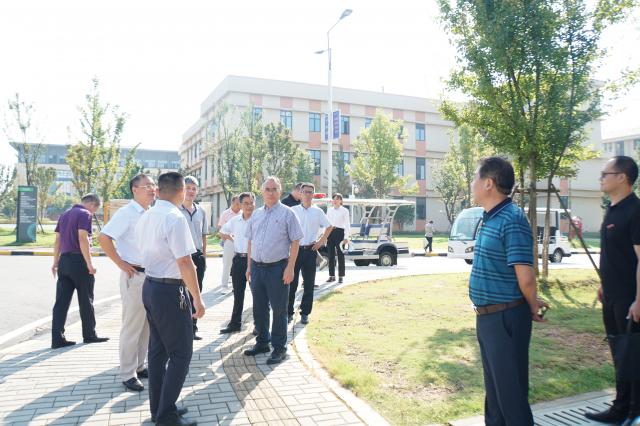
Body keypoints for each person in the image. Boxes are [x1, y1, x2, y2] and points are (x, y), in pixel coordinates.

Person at [469, 157, 548, 426]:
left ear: (488, 183)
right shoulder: (491, 217)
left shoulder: (512, 219)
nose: (472, 183)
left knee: (511, 397)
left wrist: (533, 304)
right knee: (495, 396)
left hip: (506, 317)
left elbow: (526, 276)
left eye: (475, 178)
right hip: (488, 317)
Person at [136, 172, 205, 426]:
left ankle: (161, 408)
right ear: (181, 191)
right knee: (181, 354)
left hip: (151, 286)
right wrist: (197, 298)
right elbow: (185, 262)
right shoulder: (175, 217)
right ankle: (165, 415)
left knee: (158, 352)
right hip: (169, 291)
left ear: (159, 190)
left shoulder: (148, 215)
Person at [584, 156, 640, 425]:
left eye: (606, 173)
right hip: (611, 296)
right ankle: (621, 408)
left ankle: (633, 411)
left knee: (633, 356)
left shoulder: (636, 211)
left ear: (622, 177)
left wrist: (639, 300)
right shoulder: (613, 209)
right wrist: (603, 285)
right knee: (620, 354)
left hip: (630, 299)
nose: (601, 178)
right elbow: (615, 254)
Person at [98, 174, 156, 392]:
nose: (152, 189)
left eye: (153, 185)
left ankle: (140, 366)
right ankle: (127, 373)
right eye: (147, 186)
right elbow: (104, 237)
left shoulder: (150, 212)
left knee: (146, 326)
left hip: (151, 276)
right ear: (134, 189)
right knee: (132, 326)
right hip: (135, 276)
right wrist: (120, 263)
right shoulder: (127, 213)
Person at [243, 176, 303, 365]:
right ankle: (262, 342)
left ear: (280, 191)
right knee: (259, 308)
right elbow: (250, 241)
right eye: (267, 189)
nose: (270, 192)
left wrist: (290, 268)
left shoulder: (288, 214)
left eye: (274, 189)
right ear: (262, 191)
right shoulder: (256, 215)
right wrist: (249, 267)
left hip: (278, 269)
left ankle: (279, 348)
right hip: (257, 269)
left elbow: (296, 241)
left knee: (279, 310)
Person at [51, 193, 109, 349]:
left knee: (61, 302)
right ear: (92, 205)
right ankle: (89, 335)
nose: (93, 213)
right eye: (95, 209)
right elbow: (82, 238)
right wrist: (89, 264)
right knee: (85, 299)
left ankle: (57, 339)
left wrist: (55, 262)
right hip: (79, 261)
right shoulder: (85, 214)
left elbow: (57, 240)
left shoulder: (64, 214)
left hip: (64, 261)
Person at [289, 183, 332, 324]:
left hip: (310, 251)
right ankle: (288, 312)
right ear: (300, 194)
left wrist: (321, 241)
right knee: (291, 283)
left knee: (309, 284)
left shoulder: (317, 212)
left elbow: (329, 226)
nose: (308, 194)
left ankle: (305, 313)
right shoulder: (293, 211)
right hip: (295, 251)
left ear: (313, 195)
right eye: (305, 192)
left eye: (310, 192)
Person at [219, 192, 255, 334]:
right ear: (240, 205)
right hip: (239, 260)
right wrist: (232, 239)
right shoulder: (235, 221)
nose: (249, 206)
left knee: (257, 294)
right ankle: (235, 324)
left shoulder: (258, 219)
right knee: (238, 294)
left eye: (251, 203)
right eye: (246, 203)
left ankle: (259, 325)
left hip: (254, 261)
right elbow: (222, 231)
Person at [179, 176, 210, 341]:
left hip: (197, 257)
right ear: (182, 189)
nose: (191, 191)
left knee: (196, 292)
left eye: (194, 188)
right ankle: (181, 328)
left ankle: (193, 328)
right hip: (182, 257)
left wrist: (204, 256)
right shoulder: (176, 210)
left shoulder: (201, 211)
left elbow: (204, 235)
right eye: (188, 188)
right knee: (181, 293)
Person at [326, 193, 349, 284]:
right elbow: (327, 223)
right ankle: (331, 276)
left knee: (340, 255)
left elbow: (347, 224)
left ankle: (341, 276)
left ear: (341, 201)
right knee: (330, 255)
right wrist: (325, 235)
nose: (335, 201)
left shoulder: (345, 211)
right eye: (334, 199)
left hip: (340, 233)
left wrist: (346, 237)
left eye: (337, 199)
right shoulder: (329, 210)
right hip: (330, 232)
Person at [218, 196, 240, 292]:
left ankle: (236, 286)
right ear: (232, 203)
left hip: (240, 243)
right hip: (229, 241)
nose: (238, 206)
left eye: (240, 204)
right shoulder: (225, 214)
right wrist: (228, 239)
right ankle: (224, 286)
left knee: (238, 265)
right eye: (237, 204)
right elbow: (221, 229)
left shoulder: (242, 213)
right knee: (227, 264)